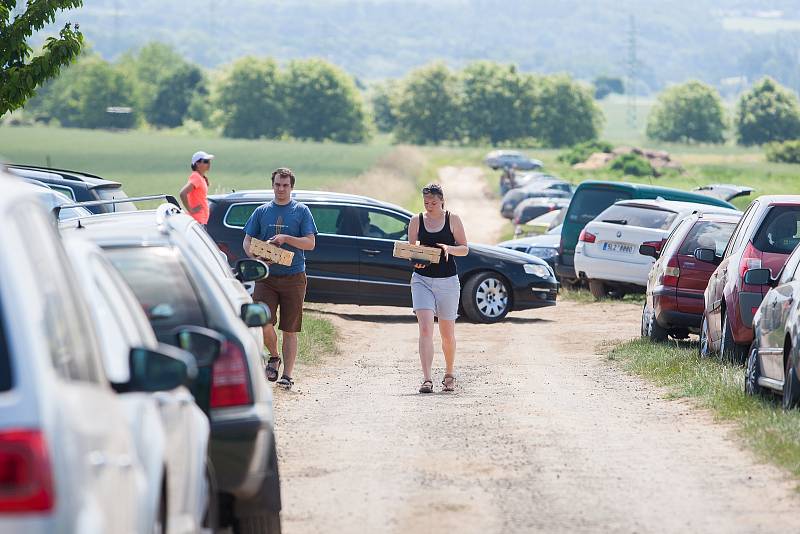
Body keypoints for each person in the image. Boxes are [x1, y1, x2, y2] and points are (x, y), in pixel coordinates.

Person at [242, 168, 318, 390]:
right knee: (262, 320)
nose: (281, 189)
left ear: (291, 187)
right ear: (272, 185)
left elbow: (310, 243)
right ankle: (274, 356)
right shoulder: (261, 211)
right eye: (277, 184)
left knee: (290, 328)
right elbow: (247, 240)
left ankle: (287, 375)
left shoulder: (301, 211)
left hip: (294, 276)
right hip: (266, 276)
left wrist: (286, 238)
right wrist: (254, 256)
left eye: (285, 185)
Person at [407, 183, 469, 393]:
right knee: (425, 328)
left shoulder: (453, 219)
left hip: (448, 281)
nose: (430, 206)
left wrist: (449, 248)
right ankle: (426, 379)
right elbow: (411, 250)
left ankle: (449, 373)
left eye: (433, 202)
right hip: (422, 279)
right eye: (426, 202)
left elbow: (465, 249)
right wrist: (416, 259)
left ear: (442, 200)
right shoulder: (416, 220)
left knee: (447, 333)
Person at [179, 151, 214, 226]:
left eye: (209, 161)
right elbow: (182, 193)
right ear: (197, 164)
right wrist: (190, 210)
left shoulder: (200, 177)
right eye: (205, 161)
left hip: (201, 220)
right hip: (197, 221)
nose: (209, 164)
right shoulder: (196, 177)